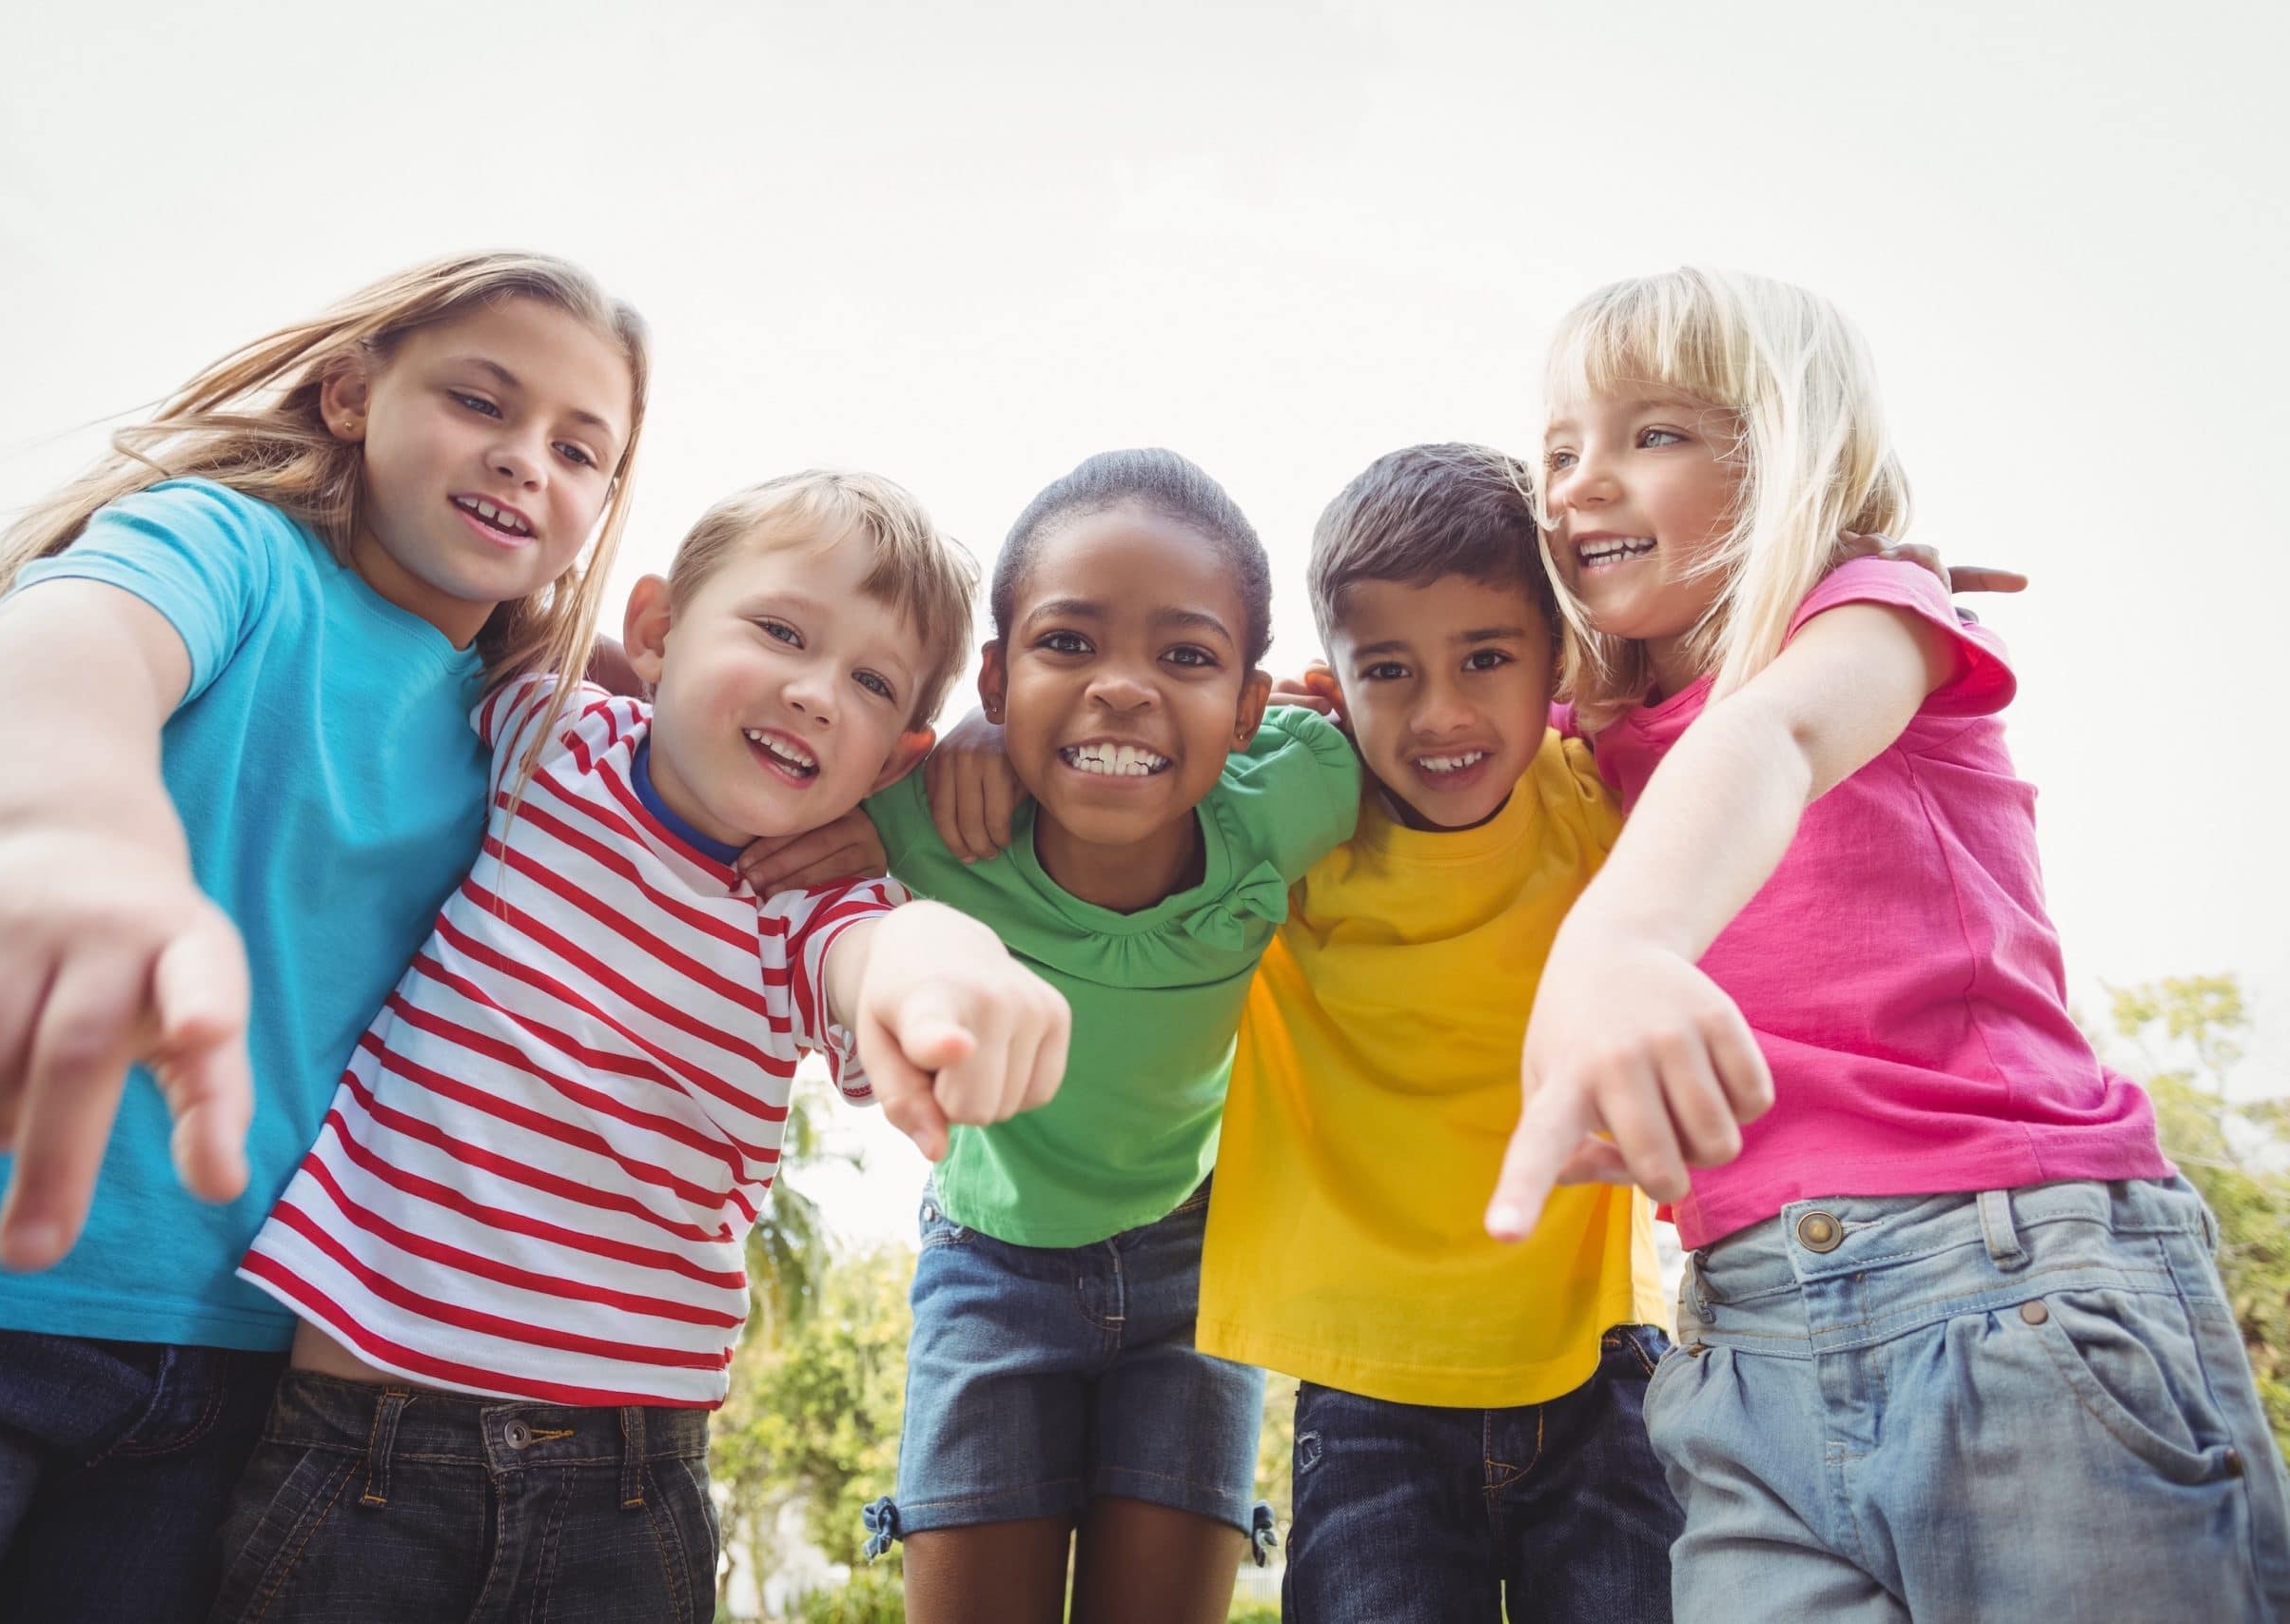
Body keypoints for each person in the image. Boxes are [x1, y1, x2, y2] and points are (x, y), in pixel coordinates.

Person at [0, 253, 651, 1621]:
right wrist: (68, 822)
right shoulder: (232, 548)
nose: (527, 461)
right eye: (481, 401)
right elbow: (69, 643)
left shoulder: (525, 732)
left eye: (581, 449)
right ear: (351, 394)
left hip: (228, 1379)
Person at [1488, 266, 2290, 1621]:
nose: (1576, 484)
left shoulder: (1869, 626)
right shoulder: (1596, 728)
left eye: (1653, 433)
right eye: (1560, 449)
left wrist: (1623, 942)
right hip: (1744, 1344)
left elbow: (1772, 740)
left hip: (2007, 1289)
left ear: (1790, 452)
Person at [215, 469, 1070, 1621]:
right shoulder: (547, 732)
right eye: (779, 630)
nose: (816, 693)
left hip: (625, 1486)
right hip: (360, 1441)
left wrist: (942, 956)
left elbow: (881, 957)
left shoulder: (811, 906)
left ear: (895, 758)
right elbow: (459, 591)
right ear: (658, 629)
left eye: (870, 682)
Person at [749, 448, 1360, 1624]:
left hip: (1198, 1267)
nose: (1122, 687)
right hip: (992, 1265)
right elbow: (702, 746)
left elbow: (1471, 722)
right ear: (994, 679)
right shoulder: (918, 821)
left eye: (1184, 657)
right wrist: (954, 760)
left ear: (1245, 705)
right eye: (1067, 643)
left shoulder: (1297, 795)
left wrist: (1340, 697)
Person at [1196, 443, 1677, 1623]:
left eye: (1486, 657)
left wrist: (1854, 583)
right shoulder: (1294, 828)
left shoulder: (1603, 800)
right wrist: (974, 756)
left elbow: (1756, 720)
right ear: (1332, 684)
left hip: (1601, 1372)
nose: (1442, 711)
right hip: (1368, 1395)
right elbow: (1112, 798)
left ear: (1555, 660)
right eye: (1390, 671)